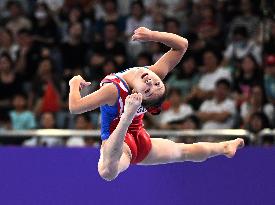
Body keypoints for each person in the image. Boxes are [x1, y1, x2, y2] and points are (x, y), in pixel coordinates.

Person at [69, 27, 244, 181]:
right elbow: (182, 45)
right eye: (157, 84)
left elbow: (75, 107)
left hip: (120, 144)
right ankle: (223, 147)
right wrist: (153, 35)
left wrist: (74, 83)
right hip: (139, 139)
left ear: (136, 95)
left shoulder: (114, 91)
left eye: (147, 90)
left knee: (106, 172)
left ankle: (225, 147)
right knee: (184, 152)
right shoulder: (155, 72)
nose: (150, 82)